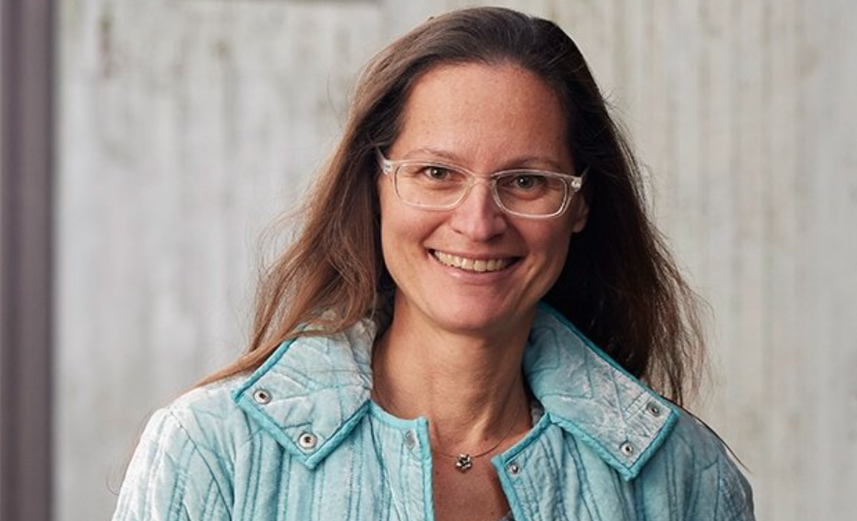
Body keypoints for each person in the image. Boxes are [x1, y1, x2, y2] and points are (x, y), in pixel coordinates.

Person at [113, 7, 754, 521]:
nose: (478, 222)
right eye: (437, 173)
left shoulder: (684, 478)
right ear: (376, 186)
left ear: (580, 204)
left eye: (526, 181)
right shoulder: (213, 451)